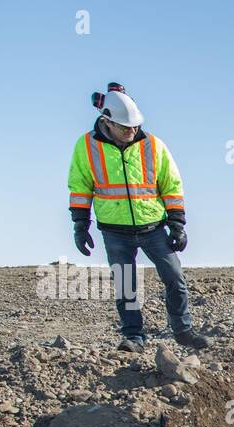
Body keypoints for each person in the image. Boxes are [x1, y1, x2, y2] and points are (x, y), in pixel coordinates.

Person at [68, 82, 207, 352]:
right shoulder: (86, 147)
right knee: (126, 286)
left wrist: (177, 225)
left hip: (153, 228)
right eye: (125, 127)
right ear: (107, 121)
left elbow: (171, 185)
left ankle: (183, 330)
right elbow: (80, 187)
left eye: (135, 126)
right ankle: (134, 337)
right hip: (114, 231)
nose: (132, 131)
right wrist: (80, 226)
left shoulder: (153, 145)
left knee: (174, 277)